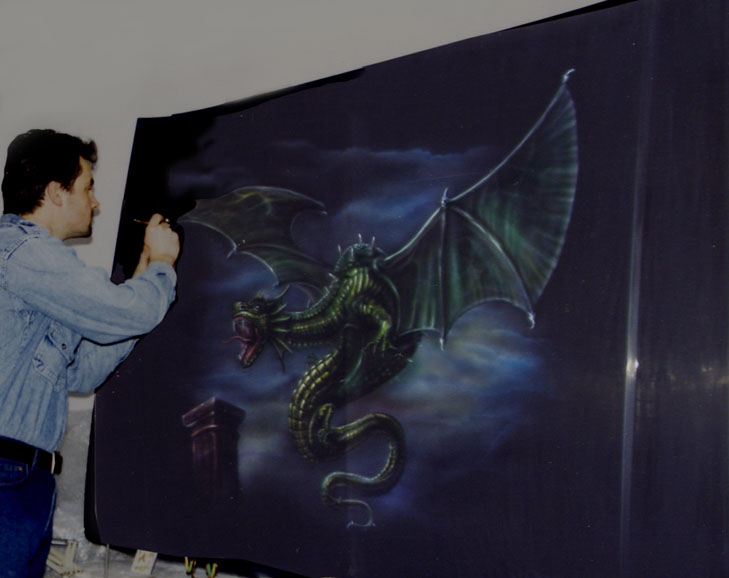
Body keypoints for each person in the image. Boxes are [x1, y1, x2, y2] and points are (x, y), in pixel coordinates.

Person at [0, 129, 180, 577]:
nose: (95, 202)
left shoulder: (37, 272)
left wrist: (142, 273)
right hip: (7, 479)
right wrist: (162, 266)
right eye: (88, 187)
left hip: (26, 482)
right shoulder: (25, 253)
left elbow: (80, 372)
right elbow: (128, 311)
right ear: (55, 192)